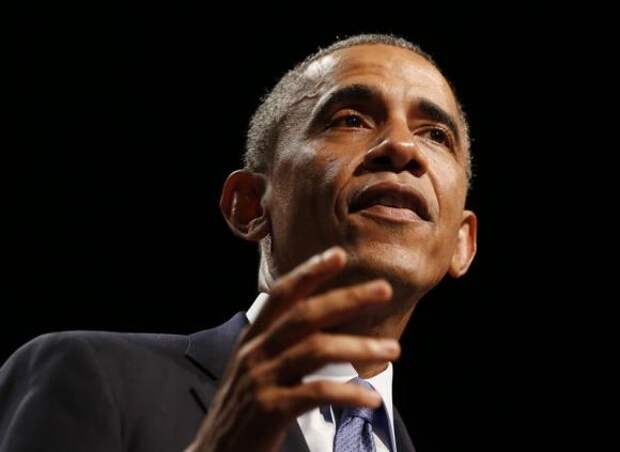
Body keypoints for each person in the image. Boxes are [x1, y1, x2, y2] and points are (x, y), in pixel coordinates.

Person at [0, 33, 477, 452]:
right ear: (249, 205)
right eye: (350, 120)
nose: (402, 147)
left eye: (435, 134)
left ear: (462, 242)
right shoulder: (91, 376)